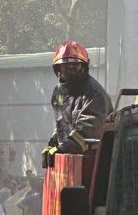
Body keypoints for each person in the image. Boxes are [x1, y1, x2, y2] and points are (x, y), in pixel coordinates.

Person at [41, 40, 113, 168]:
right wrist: (53, 143)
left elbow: (87, 130)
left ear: (84, 67)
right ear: (58, 69)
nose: (70, 70)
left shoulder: (95, 94)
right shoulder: (59, 92)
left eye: (75, 66)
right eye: (66, 66)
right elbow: (61, 121)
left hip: (94, 163)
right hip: (69, 160)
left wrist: (62, 149)